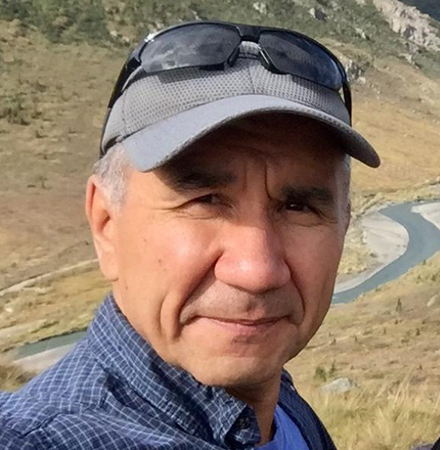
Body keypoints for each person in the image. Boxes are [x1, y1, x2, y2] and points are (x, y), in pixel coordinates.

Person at [0, 20, 381, 449]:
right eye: (205, 201)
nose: (257, 270)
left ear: (344, 225)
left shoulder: (279, 406)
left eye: (298, 206)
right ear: (105, 225)